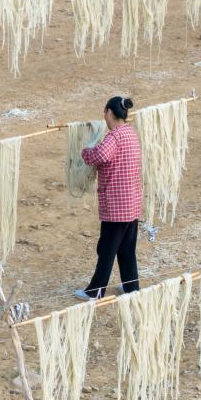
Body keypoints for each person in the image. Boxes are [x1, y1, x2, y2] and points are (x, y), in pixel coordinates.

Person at [74, 96, 143, 300]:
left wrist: (85, 152)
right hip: (131, 204)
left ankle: (95, 291)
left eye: (105, 113)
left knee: (106, 249)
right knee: (126, 249)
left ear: (109, 112)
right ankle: (131, 287)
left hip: (116, 206)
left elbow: (100, 156)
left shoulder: (114, 137)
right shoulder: (130, 134)